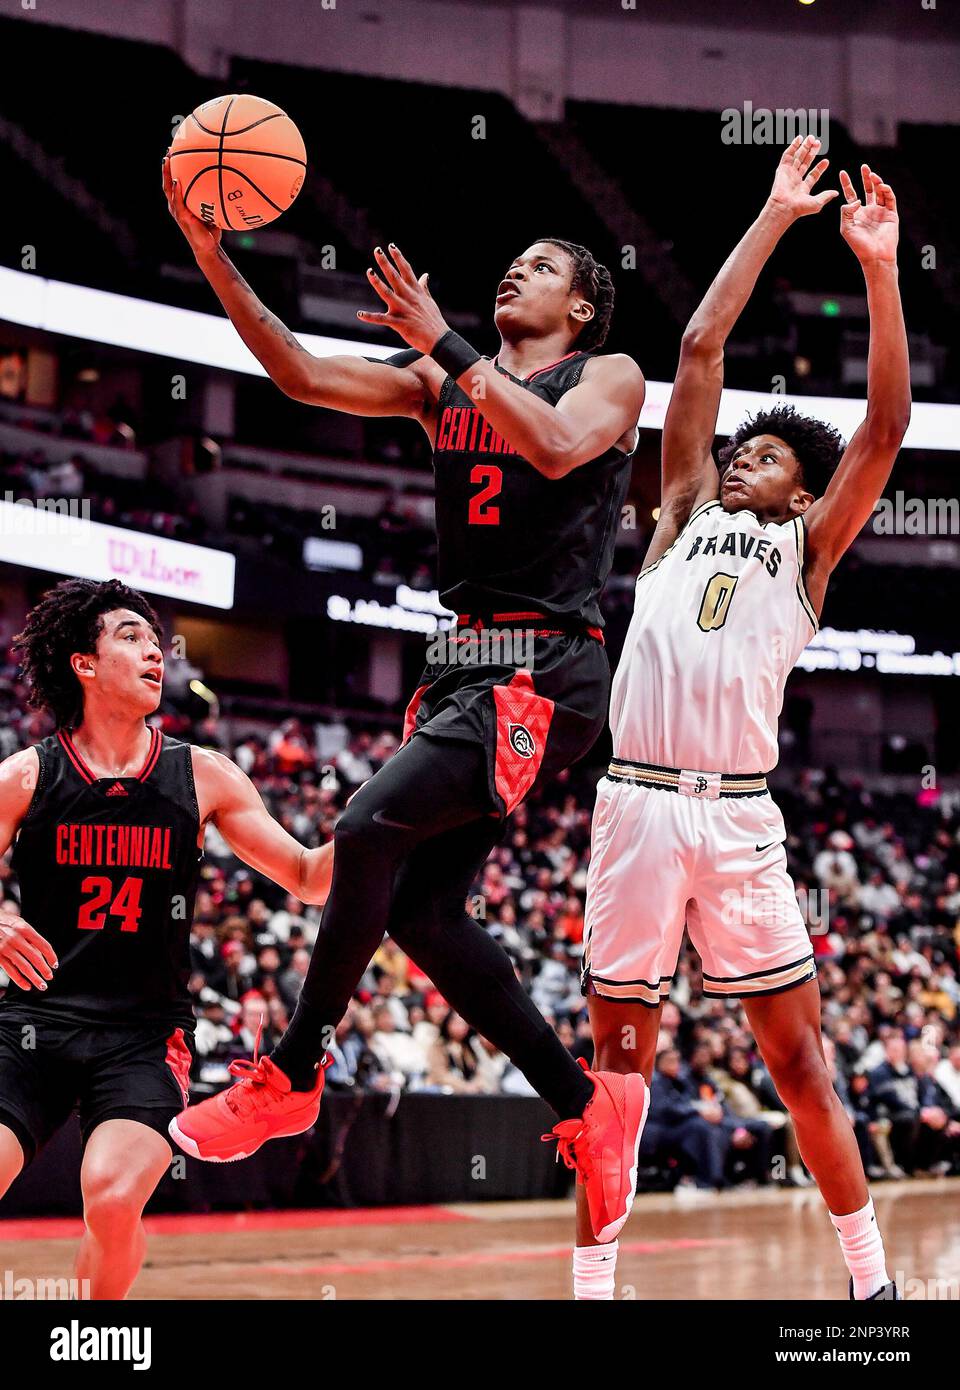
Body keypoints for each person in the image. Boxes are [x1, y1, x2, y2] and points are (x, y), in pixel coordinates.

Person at [162, 156, 650, 1243]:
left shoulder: (607, 375)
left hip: (546, 667)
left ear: (578, 304)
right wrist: (215, 259)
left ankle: (293, 1069)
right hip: (459, 667)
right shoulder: (440, 383)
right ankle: (588, 1103)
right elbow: (294, 372)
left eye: (539, 268)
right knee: (424, 911)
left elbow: (560, 445)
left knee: (364, 823)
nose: (512, 275)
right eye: (510, 264)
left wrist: (444, 340)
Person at [579, 137, 910, 1299]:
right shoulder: (674, 511)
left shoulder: (808, 547)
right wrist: (774, 215)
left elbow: (884, 428)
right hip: (636, 804)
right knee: (615, 1072)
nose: (737, 465)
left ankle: (870, 1283)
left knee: (799, 1060)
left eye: (761, 457)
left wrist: (878, 268)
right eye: (736, 452)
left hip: (738, 819)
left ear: (799, 490)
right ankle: (591, 1286)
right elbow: (699, 346)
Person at [0, 579, 333, 1298]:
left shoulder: (202, 774)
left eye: (156, 639)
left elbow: (308, 876)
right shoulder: (28, 775)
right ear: (82, 664)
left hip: (142, 1037)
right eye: (129, 635)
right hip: (31, 1023)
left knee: (113, 1199)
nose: (154, 649)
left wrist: (394, 806)